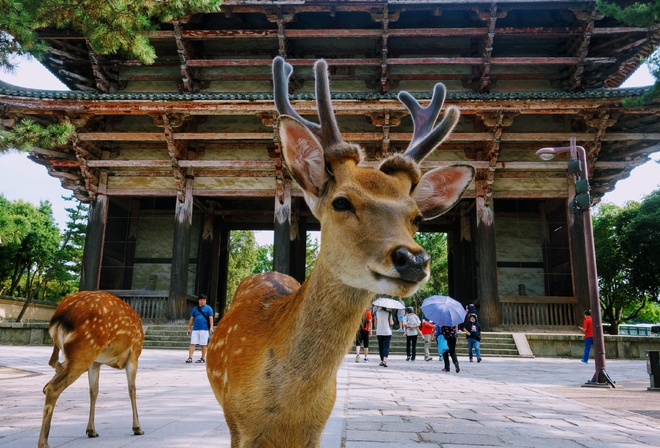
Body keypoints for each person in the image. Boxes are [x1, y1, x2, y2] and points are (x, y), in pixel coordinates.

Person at [186, 294, 214, 363]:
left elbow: (211, 318)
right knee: (192, 343)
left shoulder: (209, 308)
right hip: (195, 329)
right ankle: (190, 357)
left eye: (204, 300)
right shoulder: (195, 309)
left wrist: (211, 327)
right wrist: (189, 328)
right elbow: (191, 319)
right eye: (201, 300)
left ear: (206, 301)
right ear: (199, 300)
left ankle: (202, 358)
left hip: (204, 329)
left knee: (203, 344)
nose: (202, 301)